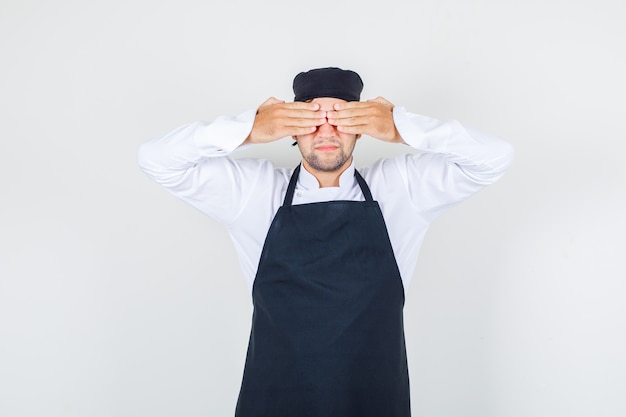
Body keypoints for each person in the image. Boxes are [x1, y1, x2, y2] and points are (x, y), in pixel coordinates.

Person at [137, 67, 514, 417]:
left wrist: (402, 126)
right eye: (311, 119)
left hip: (374, 398)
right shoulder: (253, 192)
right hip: (273, 400)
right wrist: (249, 129)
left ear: (362, 128)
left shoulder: (402, 188)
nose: (327, 132)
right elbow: (155, 159)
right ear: (292, 129)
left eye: (343, 118)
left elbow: (495, 157)